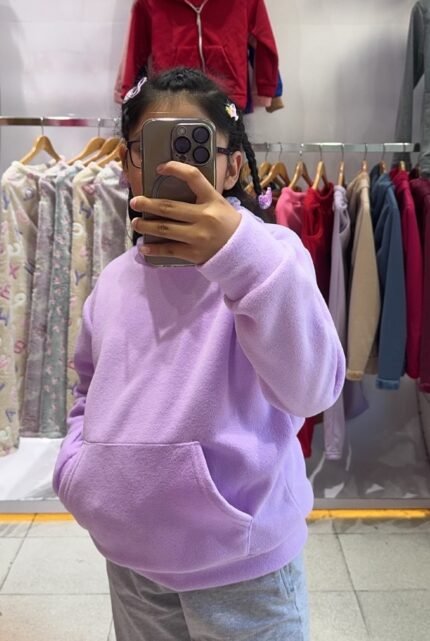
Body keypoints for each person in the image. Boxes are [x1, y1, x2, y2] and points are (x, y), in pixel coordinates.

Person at [53, 67, 345, 641]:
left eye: (193, 144)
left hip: (245, 568)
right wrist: (79, 474)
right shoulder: (115, 280)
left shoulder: (272, 258)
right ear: (126, 163)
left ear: (231, 165)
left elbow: (313, 391)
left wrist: (239, 255)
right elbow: (88, 388)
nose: (171, 165)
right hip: (131, 562)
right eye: (150, 147)